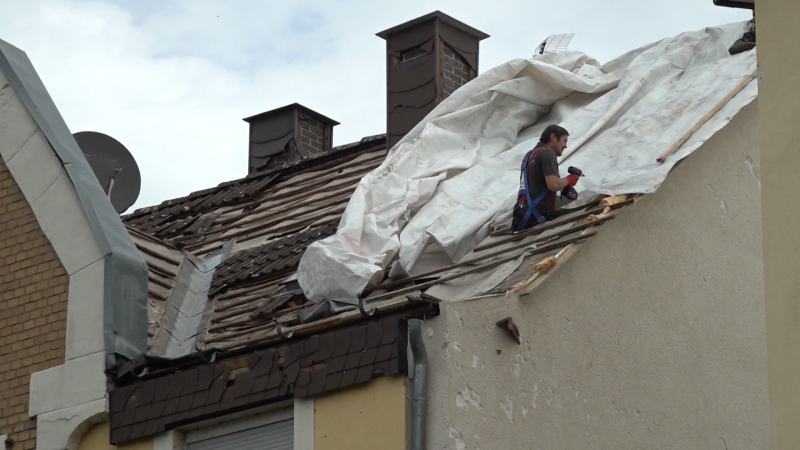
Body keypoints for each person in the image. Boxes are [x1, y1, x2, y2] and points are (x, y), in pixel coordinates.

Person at [512, 124, 580, 232]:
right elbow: (553, 185)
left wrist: (565, 187)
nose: (565, 146)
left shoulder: (530, 155)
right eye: (564, 141)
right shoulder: (547, 152)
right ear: (553, 137)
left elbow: (537, 184)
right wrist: (569, 179)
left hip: (521, 215)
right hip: (535, 217)